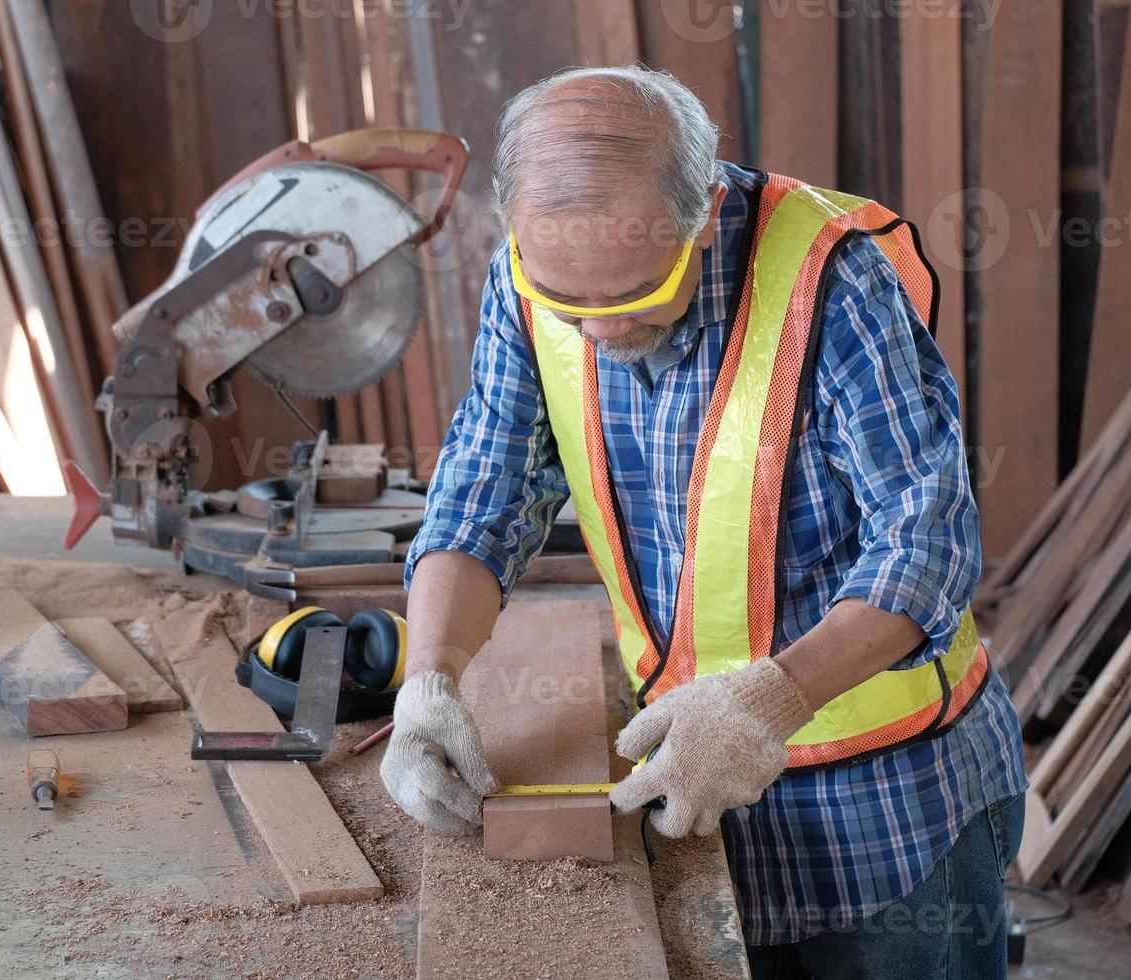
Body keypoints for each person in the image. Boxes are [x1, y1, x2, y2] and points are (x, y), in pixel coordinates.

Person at [380, 65, 1027, 977]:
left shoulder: (833, 279)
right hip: (690, 783)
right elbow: (483, 491)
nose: (597, 329)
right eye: (569, 304)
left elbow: (929, 541)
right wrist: (428, 681)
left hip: (886, 796)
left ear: (705, 210)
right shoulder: (531, 278)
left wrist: (770, 698)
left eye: (634, 293)